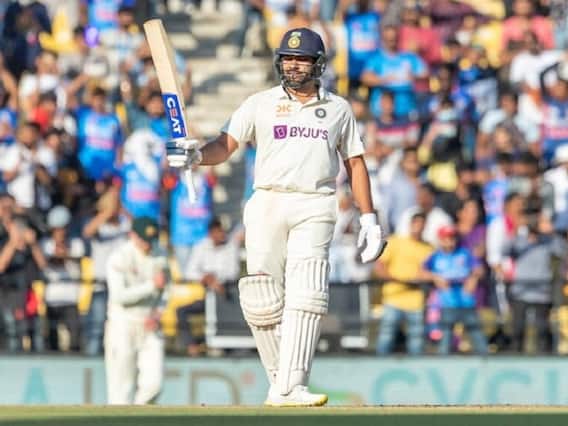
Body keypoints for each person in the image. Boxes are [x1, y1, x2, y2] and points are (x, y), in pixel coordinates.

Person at [166, 27, 385, 406]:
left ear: (318, 64)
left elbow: (355, 163)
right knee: (261, 297)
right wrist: (196, 155)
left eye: (302, 59)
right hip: (267, 201)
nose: (293, 65)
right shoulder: (260, 103)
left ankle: (292, 386)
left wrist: (369, 218)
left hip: (315, 202)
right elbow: (225, 145)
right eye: (288, 58)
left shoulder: (338, 109)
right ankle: (282, 386)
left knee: (308, 293)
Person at [104, 216, 169, 405]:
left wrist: (158, 313)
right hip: (122, 324)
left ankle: (139, 416)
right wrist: (151, 286)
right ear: (132, 235)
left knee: (154, 385)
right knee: (121, 391)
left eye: (151, 240)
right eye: (143, 239)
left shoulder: (160, 254)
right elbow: (118, 296)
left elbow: (167, 289)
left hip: (150, 325)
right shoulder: (119, 258)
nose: (148, 245)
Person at [177, 217, 242, 356]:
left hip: (226, 295)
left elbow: (232, 272)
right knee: (181, 311)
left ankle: (226, 346)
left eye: (223, 231)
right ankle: (192, 346)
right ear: (211, 232)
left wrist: (215, 278)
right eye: (219, 231)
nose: (222, 235)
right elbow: (189, 271)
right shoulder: (201, 246)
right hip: (207, 295)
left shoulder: (231, 245)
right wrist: (206, 278)